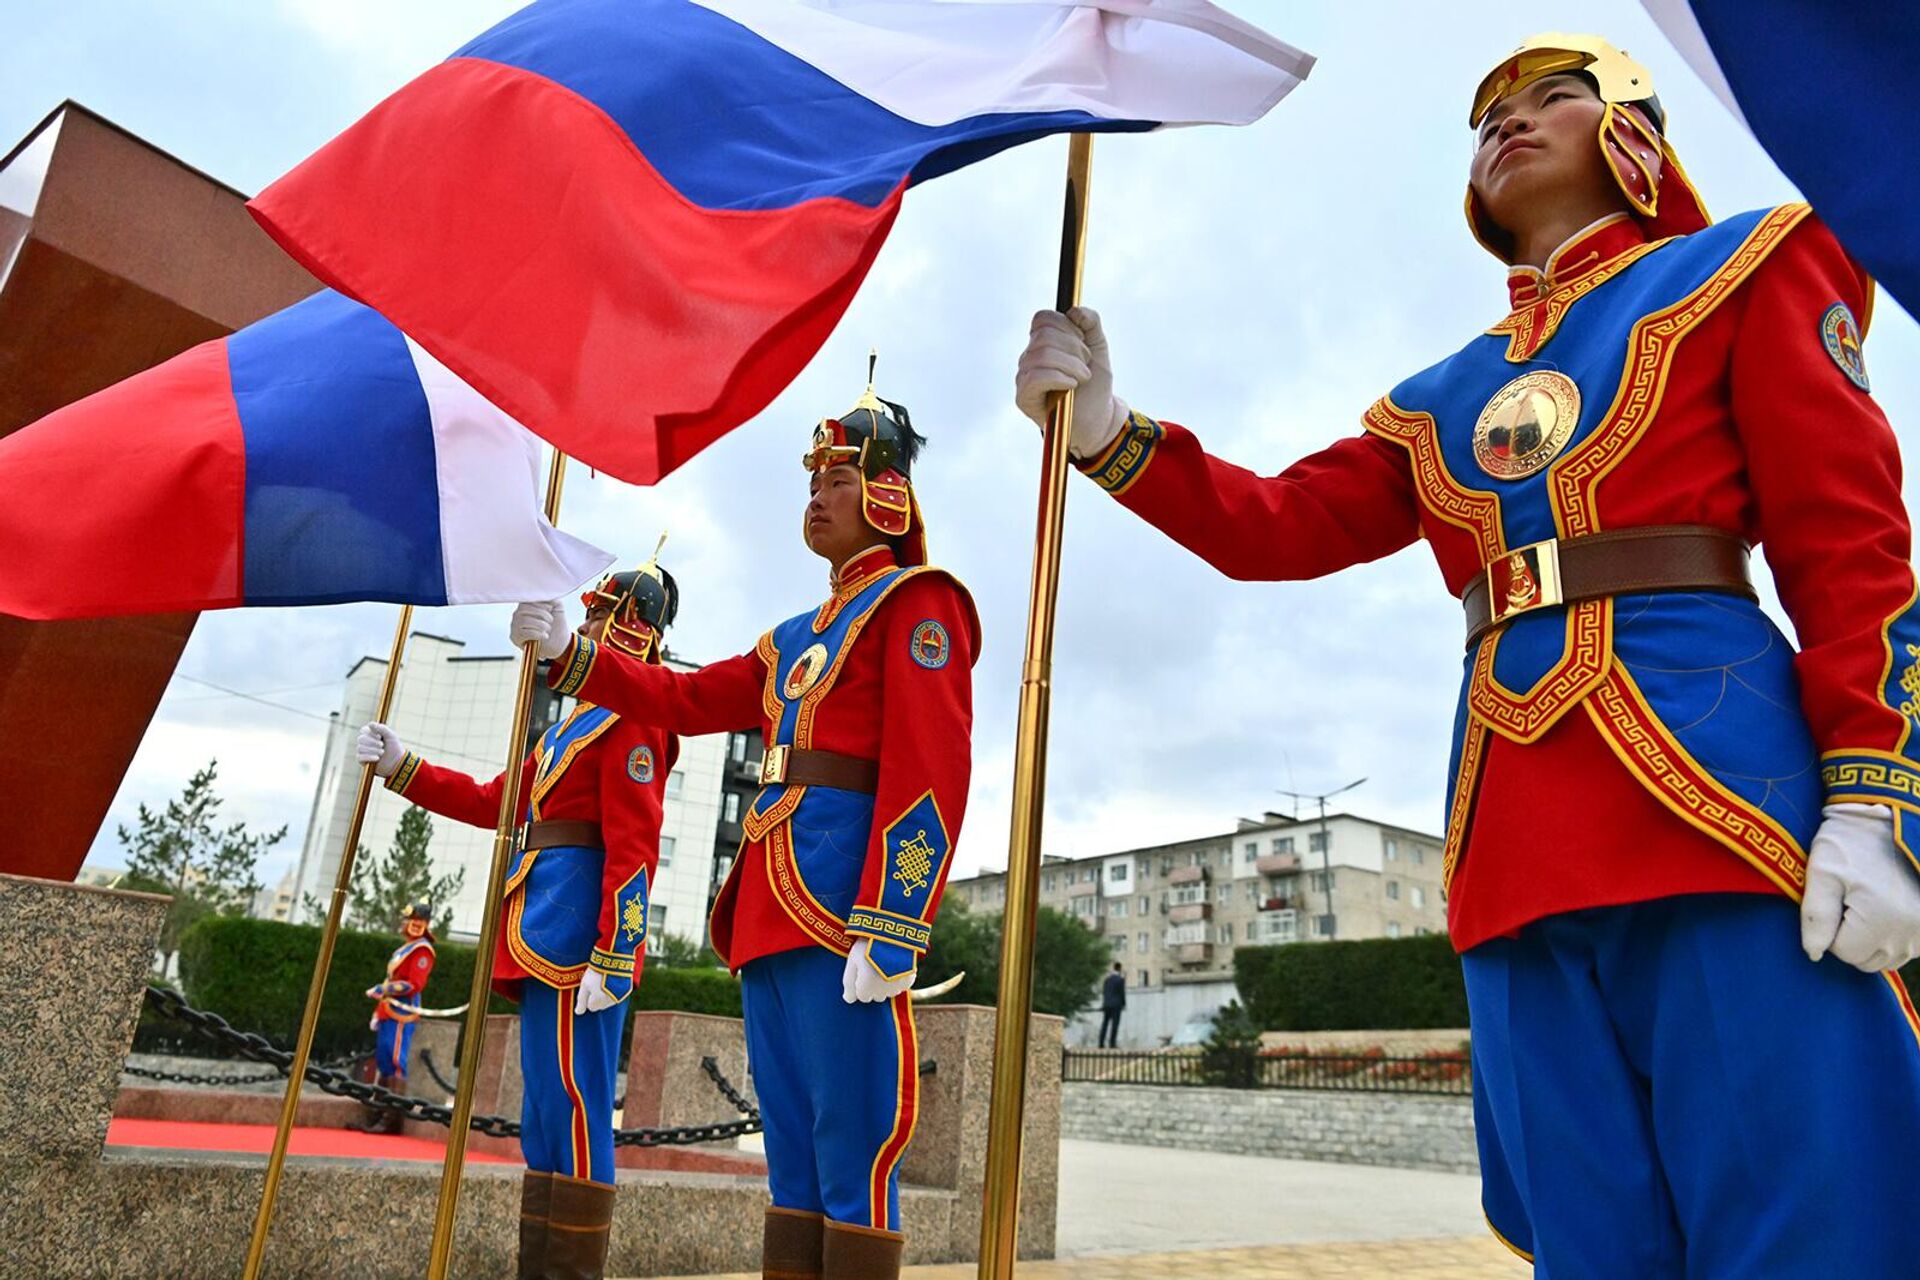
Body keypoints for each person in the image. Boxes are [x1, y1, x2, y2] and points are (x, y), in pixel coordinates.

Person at [1014, 33, 1920, 1277]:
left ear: (1635, 138)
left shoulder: (1748, 265)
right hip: (1513, 832)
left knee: (1796, 1212)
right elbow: (1279, 525)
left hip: (1720, 796)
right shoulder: (1441, 392)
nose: (1508, 121)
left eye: (1554, 96)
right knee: (1590, 1237)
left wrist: (1877, 798)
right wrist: (1113, 432)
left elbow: (1850, 545)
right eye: (1487, 114)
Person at [510, 368, 977, 1280]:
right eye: (811, 483)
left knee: (855, 1146)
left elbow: (932, 767)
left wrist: (896, 918)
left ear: (889, 493)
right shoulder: (791, 635)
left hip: (845, 903)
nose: (817, 497)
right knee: (792, 1157)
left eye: (837, 479)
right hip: (769, 901)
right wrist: (575, 656)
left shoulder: (921, 603)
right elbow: (681, 696)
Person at [357, 557, 679, 1280]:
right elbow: (494, 801)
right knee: (543, 1118)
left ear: (633, 628)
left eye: (599, 614)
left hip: (578, 939)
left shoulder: (635, 715)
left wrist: (616, 950)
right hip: (539, 923)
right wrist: (403, 767)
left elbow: (635, 845)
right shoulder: (567, 731)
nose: (586, 625)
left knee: (576, 1104)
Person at [348, 900, 436, 1135]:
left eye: (416, 921)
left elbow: (414, 984)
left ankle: (390, 1120)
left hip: (403, 1011)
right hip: (390, 1009)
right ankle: (376, 1114)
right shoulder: (406, 948)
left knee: (396, 1061)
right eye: (409, 920)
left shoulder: (422, 950)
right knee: (385, 1060)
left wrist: (384, 989)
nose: (410, 924)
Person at [1097, 963, 1125, 1048]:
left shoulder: (1107, 980)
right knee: (1114, 1024)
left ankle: (1101, 1043)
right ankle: (1112, 1043)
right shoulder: (1120, 980)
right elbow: (1121, 993)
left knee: (1105, 1024)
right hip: (1116, 1005)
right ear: (1119, 969)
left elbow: (1105, 993)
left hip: (1107, 1004)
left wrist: (1104, 1004)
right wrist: (1123, 1004)